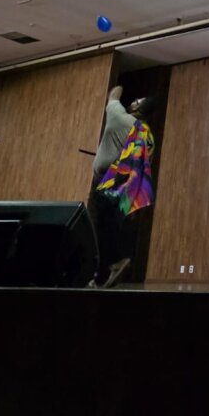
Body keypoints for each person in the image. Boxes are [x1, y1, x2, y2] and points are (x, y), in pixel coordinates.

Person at [88, 86, 156, 287]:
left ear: (138, 107)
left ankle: (107, 268)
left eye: (137, 100)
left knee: (97, 226)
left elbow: (113, 95)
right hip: (128, 186)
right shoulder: (148, 136)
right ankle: (107, 270)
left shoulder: (119, 117)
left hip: (107, 181)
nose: (133, 101)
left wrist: (120, 88)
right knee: (112, 225)